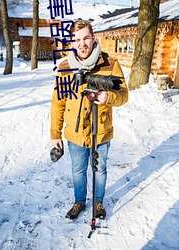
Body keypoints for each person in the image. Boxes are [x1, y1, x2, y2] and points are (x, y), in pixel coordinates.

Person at [50, 20, 128, 220]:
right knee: (78, 170)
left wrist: (108, 97)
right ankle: (79, 202)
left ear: (93, 38)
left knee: (100, 168)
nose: (82, 43)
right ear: (72, 42)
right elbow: (58, 103)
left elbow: (124, 95)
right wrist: (55, 134)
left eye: (86, 38)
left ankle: (99, 202)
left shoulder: (110, 64)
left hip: (101, 130)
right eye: (76, 40)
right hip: (75, 133)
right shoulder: (65, 67)